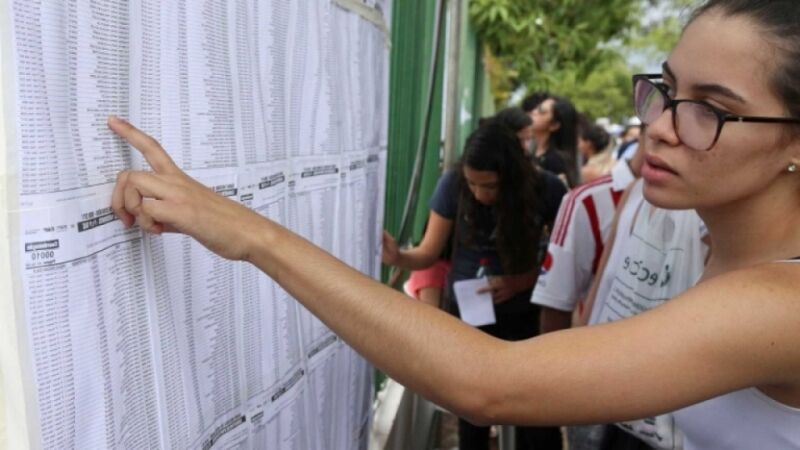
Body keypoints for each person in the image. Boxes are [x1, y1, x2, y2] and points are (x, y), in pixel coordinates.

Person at [108, 1, 800, 447]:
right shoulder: (717, 246)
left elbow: (488, 381)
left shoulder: (776, 302)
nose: (661, 128)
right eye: (666, 90)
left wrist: (252, 233)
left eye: (713, 107)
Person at [382, 122, 565, 450]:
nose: (481, 195)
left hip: (527, 316)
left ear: (512, 176)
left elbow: (567, 261)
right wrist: (398, 256)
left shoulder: (547, 189)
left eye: (491, 186)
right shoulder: (452, 185)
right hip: (468, 318)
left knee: (534, 417)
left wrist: (524, 279)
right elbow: (427, 254)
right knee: (472, 416)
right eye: (473, 184)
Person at [531, 96, 580, 187]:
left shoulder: (556, 161)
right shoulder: (531, 152)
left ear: (554, 125)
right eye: (536, 108)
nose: (534, 112)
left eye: (542, 112)